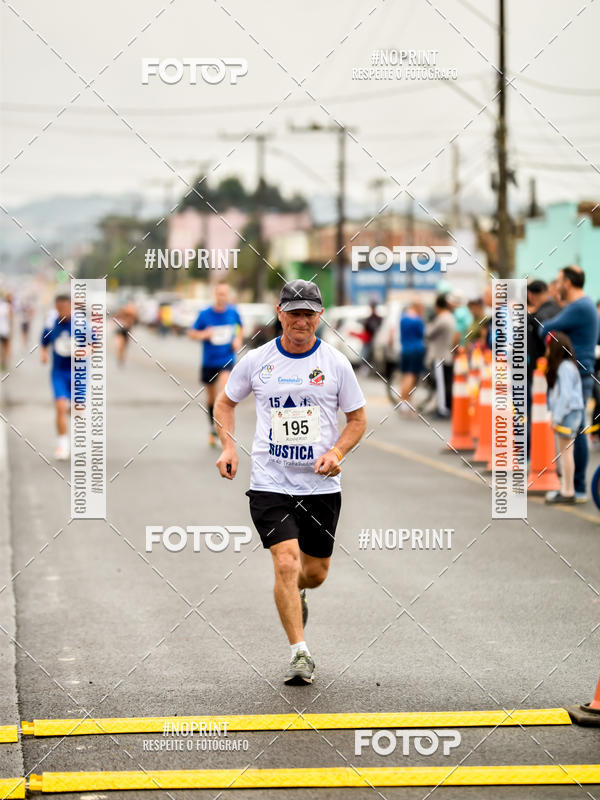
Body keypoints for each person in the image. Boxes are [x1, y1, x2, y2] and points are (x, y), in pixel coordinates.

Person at [213, 280, 367, 686]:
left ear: (319, 316)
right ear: (280, 313)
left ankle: (296, 594)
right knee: (285, 561)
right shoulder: (258, 361)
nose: (301, 320)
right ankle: (300, 653)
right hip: (270, 482)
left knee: (314, 574)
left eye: (308, 313)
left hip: (320, 487)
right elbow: (225, 402)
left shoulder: (336, 363)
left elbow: (357, 420)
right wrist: (228, 447)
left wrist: (336, 453)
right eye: (293, 312)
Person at [539, 266, 599, 502]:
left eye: (559, 281)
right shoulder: (582, 307)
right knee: (575, 434)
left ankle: (576, 488)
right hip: (579, 374)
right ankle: (573, 486)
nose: (556, 285)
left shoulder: (580, 307)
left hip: (575, 375)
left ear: (569, 283)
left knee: (573, 434)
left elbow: (546, 328)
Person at [189, 282, 243, 447]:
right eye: (219, 294)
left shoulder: (233, 312)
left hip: (226, 360)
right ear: (215, 295)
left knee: (223, 392)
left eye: (225, 294)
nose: (222, 297)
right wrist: (204, 334)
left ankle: (223, 430)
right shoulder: (205, 314)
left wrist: (238, 339)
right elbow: (192, 333)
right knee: (212, 398)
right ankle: (212, 427)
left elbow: (240, 328)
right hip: (209, 361)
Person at [544, 332, 584, 505]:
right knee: (567, 453)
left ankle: (568, 491)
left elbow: (565, 396)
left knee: (565, 453)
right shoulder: (569, 366)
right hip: (572, 413)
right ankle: (568, 489)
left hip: (568, 414)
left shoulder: (564, 368)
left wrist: (556, 417)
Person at [526, 280, 560, 451]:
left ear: (531, 295)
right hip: (556, 370)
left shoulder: (539, 317)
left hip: (540, 373)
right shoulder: (560, 310)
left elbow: (548, 344)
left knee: (539, 412)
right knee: (552, 412)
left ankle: (539, 450)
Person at [40, 294, 73, 460]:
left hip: (77, 373)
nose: (63, 311)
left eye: (65, 308)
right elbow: (44, 341)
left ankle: (71, 406)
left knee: (76, 410)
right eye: (59, 308)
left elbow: (94, 343)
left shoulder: (81, 325)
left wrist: (87, 350)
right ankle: (62, 445)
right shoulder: (52, 323)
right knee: (60, 406)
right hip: (59, 372)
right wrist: (43, 353)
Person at [425, 295, 456, 418]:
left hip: (440, 356)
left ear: (437, 306)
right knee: (446, 383)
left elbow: (428, 333)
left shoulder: (442, 319)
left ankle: (442, 409)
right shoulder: (450, 317)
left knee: (441, 385)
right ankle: (444, 407)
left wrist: (429, 322)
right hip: (447, 354)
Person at [398, 298, 425, 412]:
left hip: (405, 349)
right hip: (416, 349)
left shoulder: (403, 318)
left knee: (405, 375)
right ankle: (404, 400)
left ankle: (406, 400)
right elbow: (422, 334)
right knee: (411, 375)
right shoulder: (418, 320)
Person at [113, 301, 137, 366]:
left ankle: (121, 357)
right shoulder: (122, 311)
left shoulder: (133, 314)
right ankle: (120, 356)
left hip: (127, 331)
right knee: (120, 345)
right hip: (120, 330)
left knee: (124, 346)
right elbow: (115, 318)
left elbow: (134, 322)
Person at [0, 291, 13, 372]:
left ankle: (2, 362)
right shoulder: (8, 307)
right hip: (6, 330)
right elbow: (11, 319)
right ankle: (4, 363)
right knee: (6, 348)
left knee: (1, 348)